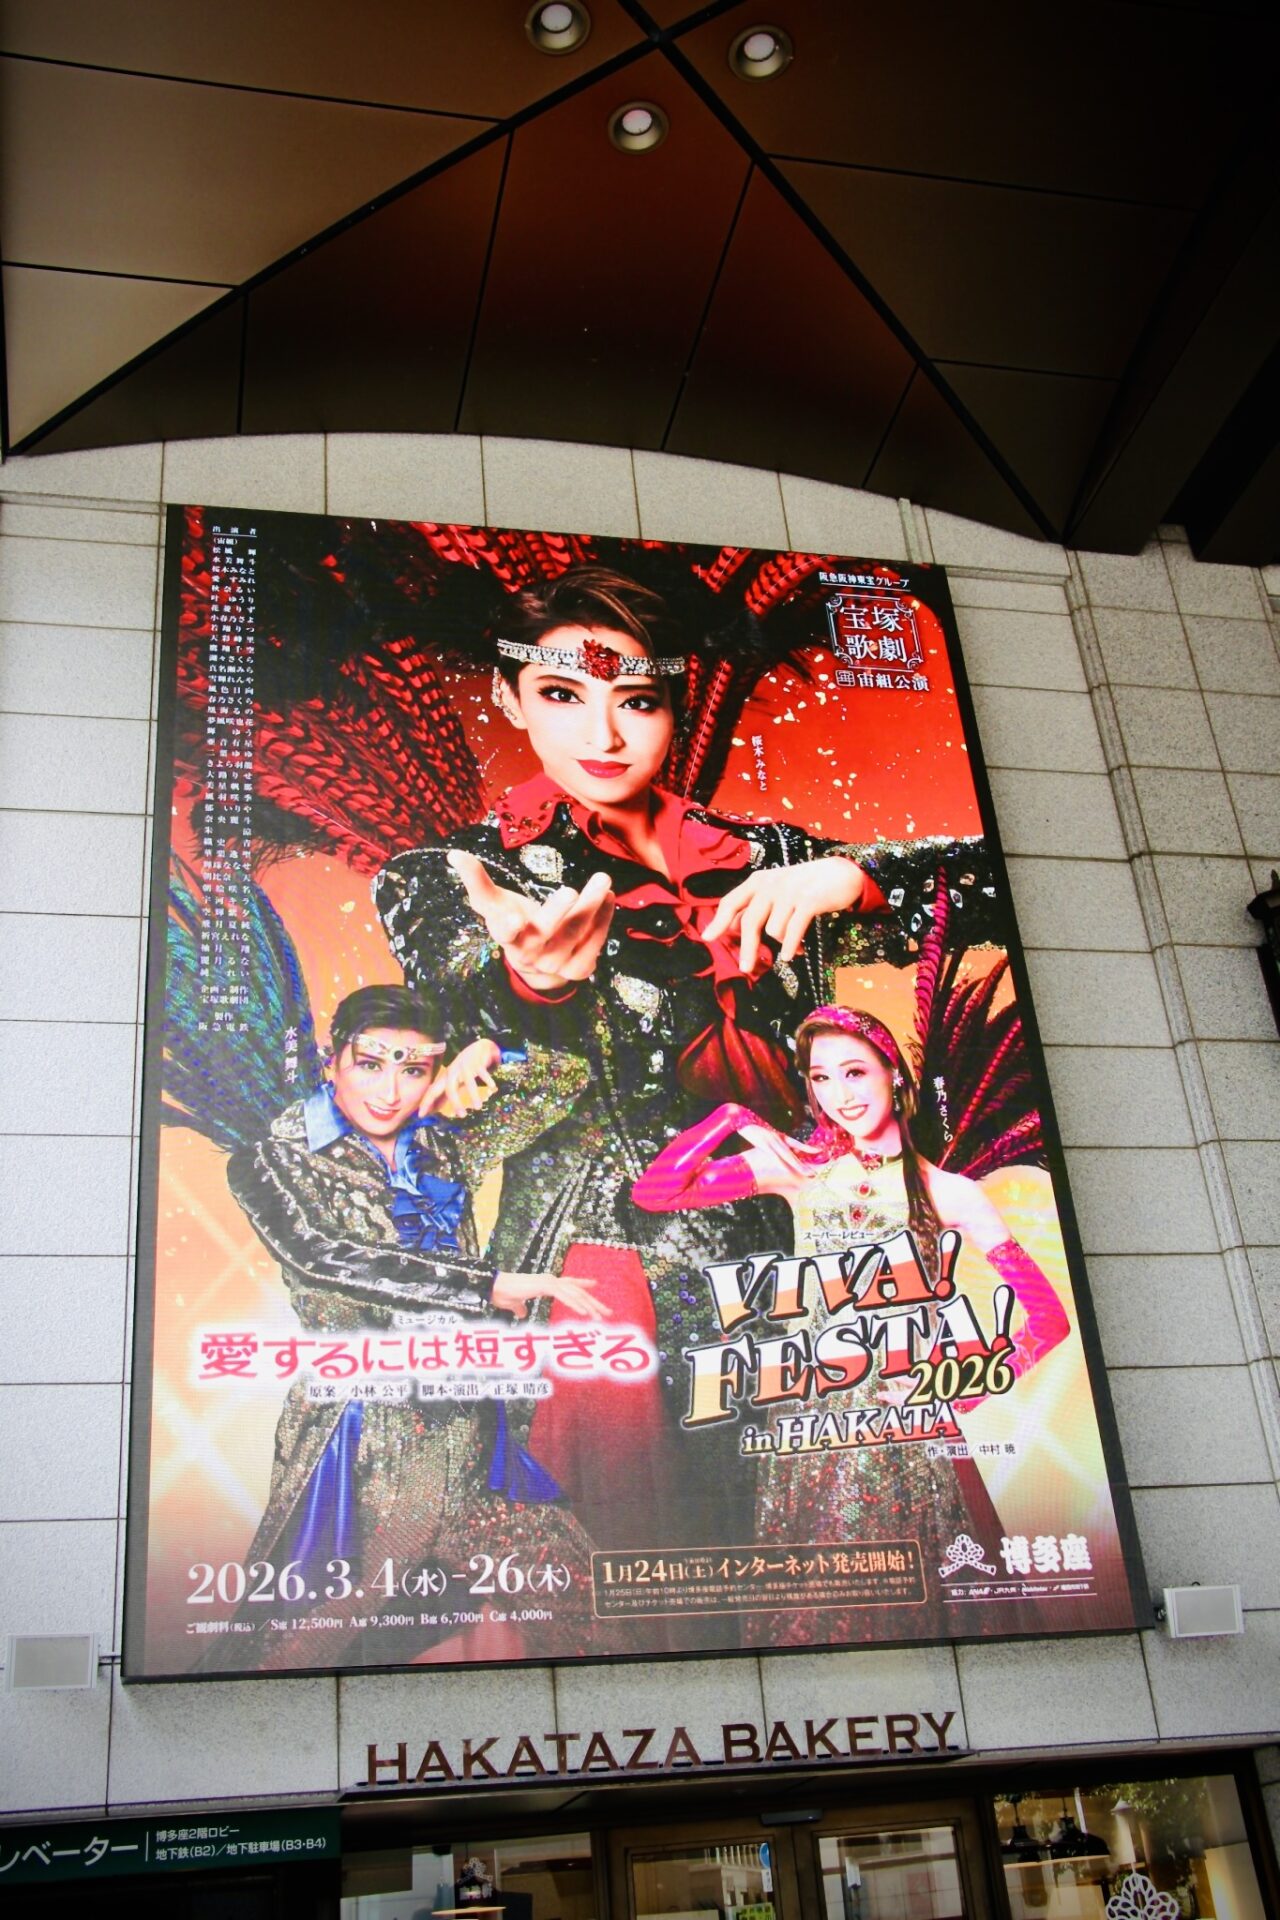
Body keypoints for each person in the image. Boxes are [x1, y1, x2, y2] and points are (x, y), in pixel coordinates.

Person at [373, 566, 1001, 1571]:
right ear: (509, 698)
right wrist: (532, 978)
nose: (604, 735)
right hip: (606, 1262)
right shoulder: (452, 874)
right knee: (626, 1571)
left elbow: (996, 886)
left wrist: (853, 876)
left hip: (799, 1262)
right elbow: (462, 1003)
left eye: (637, 701)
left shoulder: (768, 855)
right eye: (562, 695)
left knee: (842, 1565)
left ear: (673, 704)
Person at [211, 984, 622, 1669]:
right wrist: (485, 1286)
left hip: (472, 1430)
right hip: (365, 1436)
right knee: (306, 1641)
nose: (389, 1090)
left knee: (586, 1605)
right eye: (370, 1064)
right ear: (332, 1059)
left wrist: (492, 1051)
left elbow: (566, 1082)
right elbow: (328, 1256)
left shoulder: (441, 1145)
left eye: (414, 1069)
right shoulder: (273, 1158)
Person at [631, 1004, 1070, 1644]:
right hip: (805, 1421)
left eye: (856, 1072)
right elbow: (655, 1192)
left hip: (897, 1429)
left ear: (895, 1074)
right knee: (813, 1605)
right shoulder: (799, 1169)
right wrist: (729, 1117)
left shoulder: (951, 1193)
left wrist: (958, 1392)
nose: (841, 1094)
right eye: (821, 1078)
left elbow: (1048, 1319)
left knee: (902, 1607)